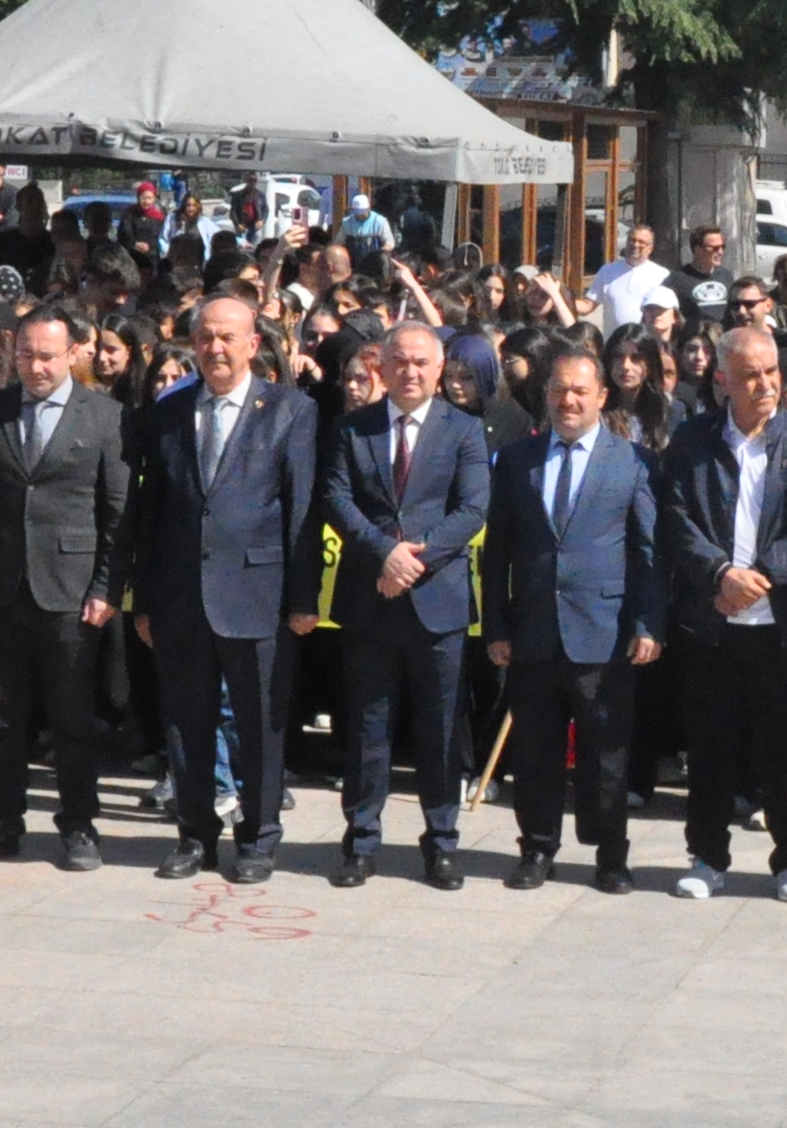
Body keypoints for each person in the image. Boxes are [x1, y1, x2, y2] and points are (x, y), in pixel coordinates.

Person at [127, 291, 319, 884]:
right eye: (204, 337)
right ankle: (195, 834)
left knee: (261, 723)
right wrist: (145, 599)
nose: (214, 348)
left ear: (253, 345)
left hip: (258, 595)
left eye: (227, 337)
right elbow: (150, 511)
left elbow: (302, 510)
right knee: (187, 721)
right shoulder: (169, 410)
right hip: (182, 597)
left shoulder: (289, 410)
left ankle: (258, 838)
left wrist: (304, 599)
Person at [0, 302, 128, 869]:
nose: (35, 367)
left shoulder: (104, 417)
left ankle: (78, 825)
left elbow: (116, 512)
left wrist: (105, 588)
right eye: (25, 354)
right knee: (0, 714)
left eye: (47, 356)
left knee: (72, 717)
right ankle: (0, 823)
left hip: (70, 591)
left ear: (74, 353)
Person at [483, 343, 667, 890]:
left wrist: (647, 623)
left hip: (604, 634)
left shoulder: (632, 461)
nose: (568, 400)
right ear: (546, 395)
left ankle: (611, 855)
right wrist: (496, 625)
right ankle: (537, 849)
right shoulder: (518, 460)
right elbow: (498, 552)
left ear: (601, 396)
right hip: (534, 631)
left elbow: (650, 550)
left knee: (606, 755)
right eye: (559, 390)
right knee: (535, 753)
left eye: (580, 391)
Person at [662, 325, 787, 903]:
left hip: (779, 624)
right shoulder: (692, 440)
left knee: (786, 749)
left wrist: (761, 575)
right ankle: (707, 857)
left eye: (770, 373)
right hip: (713, 621)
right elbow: (677, 520)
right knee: (710, 748)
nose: (763, 385)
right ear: (722, 381)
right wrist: (720, 575)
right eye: (749, 376)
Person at [327, 319, 488, 888]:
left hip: (436, 602)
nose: (411, 371)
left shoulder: (464, 430)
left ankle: (441, 841)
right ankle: (361, 840)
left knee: (440, 728)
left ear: (440, 368)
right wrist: (383, 554)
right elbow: (337, 499)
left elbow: (472, 509)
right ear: (382, 368)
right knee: (368, 726)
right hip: (370, 598)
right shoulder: (355, 429)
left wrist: (413, 562)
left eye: (422, 362)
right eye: (400, 361)